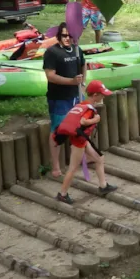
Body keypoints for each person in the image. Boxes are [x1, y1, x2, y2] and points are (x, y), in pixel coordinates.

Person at [52, 80, 118, 204]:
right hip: (79, 141)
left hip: (81, 138)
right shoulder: (89, 110)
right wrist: (96, 119)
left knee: (99, 158)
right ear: (95, 95)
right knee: (73, 168)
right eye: (102, 94)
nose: (103, 96)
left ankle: (103, 186)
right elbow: (83, 122)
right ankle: (62, 194)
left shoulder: (81, 104)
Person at [43, 22, 86, 177]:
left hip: (76, 96)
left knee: (81, 126)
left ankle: (82, 158)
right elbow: (50, 76)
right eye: (64, 35)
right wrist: (71, 82)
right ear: (58, 36)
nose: (67, 38)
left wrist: (82, 84)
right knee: (57, 130)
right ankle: (55, 167)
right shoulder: (52, 52)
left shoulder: (76, 49)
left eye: (70, 35)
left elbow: (83, 64)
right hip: (59, 98)